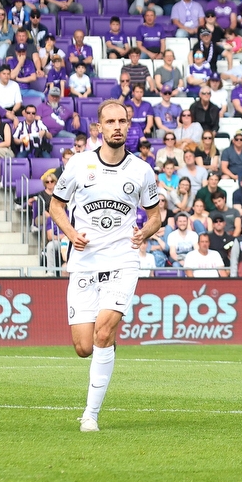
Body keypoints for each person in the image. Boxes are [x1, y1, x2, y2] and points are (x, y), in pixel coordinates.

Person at [47, 100, 161, 433]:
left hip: (123, 260)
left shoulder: (141, 170)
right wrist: (70, 233)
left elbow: (155, 215)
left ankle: (90, 415)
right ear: (99, 127)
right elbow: (56, 206)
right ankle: (104, 345)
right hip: (84, 261)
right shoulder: (80, 165)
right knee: (84, 347)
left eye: (122, 121)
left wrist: (145, 232)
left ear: (129, 125)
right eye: (109, 121)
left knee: (103, 331)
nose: (116, 126)